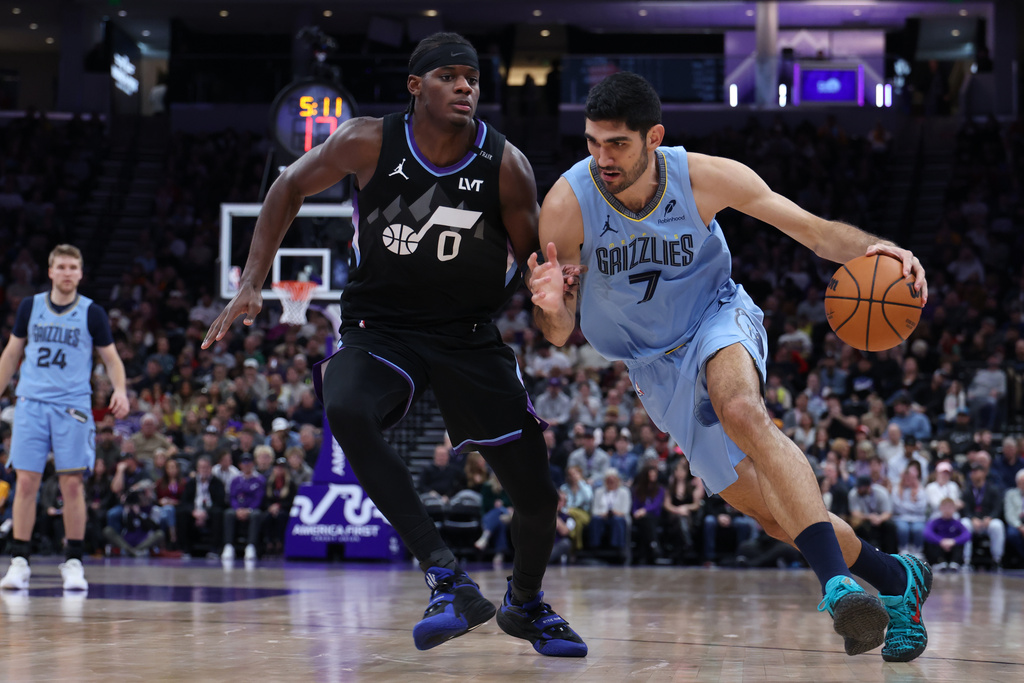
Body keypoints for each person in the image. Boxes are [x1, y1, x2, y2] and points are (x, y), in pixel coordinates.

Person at [200, 32, 585, 656]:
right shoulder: (366, 140)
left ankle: (526, 604)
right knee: (346, 405)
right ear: (415, 86)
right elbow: (286, 188)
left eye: (473, 78)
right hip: (382, 327)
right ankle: (445, 578)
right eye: (450, 76)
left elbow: (534, 264)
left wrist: (554, 295)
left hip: (467, 335)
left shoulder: (505, 165)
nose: (466, 87)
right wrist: (251, 282)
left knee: (537, 499)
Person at [527, 72, 932, 661]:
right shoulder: (567, 205)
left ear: (653, 137)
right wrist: (551, 308)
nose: (601, 157)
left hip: (716, 317)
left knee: (741, 409)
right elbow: (560, 334)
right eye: (592, 142)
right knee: (775, 518)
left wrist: (884, 248)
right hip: (652, 368)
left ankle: (837, 586)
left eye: (617, 144)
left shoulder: (703, 178)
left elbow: (814, 233)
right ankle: (897, 581)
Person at [0, 244, 130, 591]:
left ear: (81, 273)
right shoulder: (30, 306)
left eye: (74, 267)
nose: (68, 272)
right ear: (51, 271)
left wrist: (119, 390)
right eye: (62, 267)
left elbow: (112, 359)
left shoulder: (92, 312)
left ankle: (73, 560)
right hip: (31, 402)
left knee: (71, 484)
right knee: (25, 483)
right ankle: (19, 560)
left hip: (72, 406)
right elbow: (12, 353)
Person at [922, 498, 971, 571]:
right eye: (945, 507)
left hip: (952, 548)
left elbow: (967, 534)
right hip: (939, 548)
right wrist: (940, 541)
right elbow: (927, 533)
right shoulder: (935, 522)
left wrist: (954, 541)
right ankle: (939, 562)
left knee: (960, 543)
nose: (947, 510)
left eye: (950, 508)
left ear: (954, 509)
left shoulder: (957, 523)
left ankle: (955, 562)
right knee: (930, 543)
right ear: (941, 508)